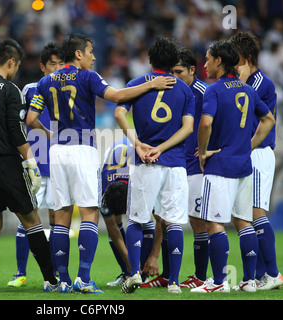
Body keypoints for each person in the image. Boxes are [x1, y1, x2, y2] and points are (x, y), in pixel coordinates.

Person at [26, 33, 176, 294]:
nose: (94, 57)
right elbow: (117, 96)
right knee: (89, 213)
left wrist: (50, 134)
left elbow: (30, 119)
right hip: (82, 148)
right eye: (90, 51)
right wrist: (151, 85)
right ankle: (83, 278)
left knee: (60, 216)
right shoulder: (88, 77)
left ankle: (62, 280)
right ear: (78, 54)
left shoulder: (45, 81)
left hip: (58, 151)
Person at [0, 39, 58, 294]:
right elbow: (17, 132)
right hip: (6, 165)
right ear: (11, 61)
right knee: (32, 220)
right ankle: (51, 280)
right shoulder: (10, 89)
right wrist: (31, 164)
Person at [191, 40, 275, 293]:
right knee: (243, 221)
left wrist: (204, 152)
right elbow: (269, 119)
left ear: (219, 61)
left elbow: (205, 124)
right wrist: (248, 145)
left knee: (214, 223)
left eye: (207, 59)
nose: (204, 64)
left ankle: (218, 282)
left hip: (221, 165)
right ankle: (249, 281)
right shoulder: (248, 90)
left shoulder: (213, 90)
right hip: (244, 165)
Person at [115, 36, 195, 294]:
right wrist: (163, 148)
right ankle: (173, 283)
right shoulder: (184, 89)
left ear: (149, 60)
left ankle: (135, 273)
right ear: (173, 62)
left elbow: (118, 113)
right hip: (175, 163)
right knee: (173, 222)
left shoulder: (136, 84)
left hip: (145, 162)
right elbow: (188, 127)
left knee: (137, 220)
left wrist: (138, 143)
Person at [230, 31, 283, 290]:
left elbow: (252, 115)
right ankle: (261, 275)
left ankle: (273, 273)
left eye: (236, 58)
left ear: (247, 57)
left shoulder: (260, 82)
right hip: (247, 153)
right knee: (247, 215)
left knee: (256, 212)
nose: (232, 63)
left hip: (259, 152)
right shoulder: (246, 80)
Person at [8, 42, 65, 288]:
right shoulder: (30, 89)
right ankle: (20, 272)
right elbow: (18, 122)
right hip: (34, 162)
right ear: (43, 67)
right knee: (28, 218)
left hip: (60, 164)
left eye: (62, 64)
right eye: (53, 63)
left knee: (55, 218)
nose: (57, 68)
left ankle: (51, 275)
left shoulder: (68, 87)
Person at [172, 47, 209, 289]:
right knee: (169, 219)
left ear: (192, 70)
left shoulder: (204, 92)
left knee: (198, 221)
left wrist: (211, 148)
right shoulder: (172, 90)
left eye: (179, 71)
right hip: (176, 162)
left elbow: (214, 121)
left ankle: (202, 277)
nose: (174, 76)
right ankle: (168, 273)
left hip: (197, 165)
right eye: (171, 71)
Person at [100, 136, 156, 287]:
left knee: (145, 217)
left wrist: (153, 256)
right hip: (116, 161)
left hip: (142, 156)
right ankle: (128, 273)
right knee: (115, 225)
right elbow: (112, 228)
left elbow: (153, 219)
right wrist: (130, 264)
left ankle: (144, 275)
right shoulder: (104, 189)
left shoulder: (139, 181)